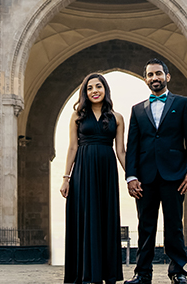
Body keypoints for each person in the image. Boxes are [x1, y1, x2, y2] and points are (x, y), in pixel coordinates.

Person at [124, 59, 187, 284]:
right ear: (145, 79)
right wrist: (131, 176)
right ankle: (142, 274)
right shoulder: (137, 110)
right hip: (145, 179)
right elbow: (133, 147)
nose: (154, 78)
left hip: (175, 176)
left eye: (158, 74)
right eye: (150, 75)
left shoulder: (183, 103)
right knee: (145, 226)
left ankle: (177, 272)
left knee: (174, 225)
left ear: (167, 76)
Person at [60, 72, 126, 284]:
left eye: (98, 86)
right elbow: (72, 147)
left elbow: (121, 151)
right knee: (85, 218)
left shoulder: (117, 118)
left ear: (105, 89)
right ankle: (85, 274)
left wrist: (132, 177)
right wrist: (65, 178)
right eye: (89, 88)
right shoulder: (77, 117)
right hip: (83, 171)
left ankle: (107, 274)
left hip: (107, 171)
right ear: (85, 92)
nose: (94, 91)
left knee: (105, 218)